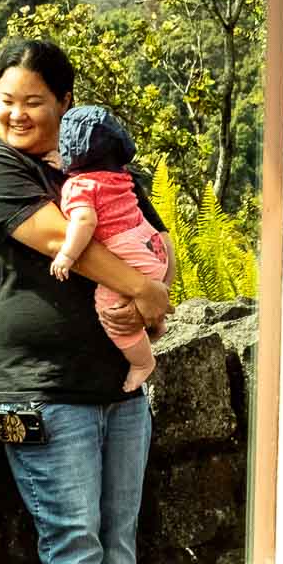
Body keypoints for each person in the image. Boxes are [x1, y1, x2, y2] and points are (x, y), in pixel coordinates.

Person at [0, 39, 172, 564]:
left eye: (33, 100)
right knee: (75, 546)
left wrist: (154, 300)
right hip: (42, 394)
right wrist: (143, 288)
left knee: (120, 541)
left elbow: (153, 240)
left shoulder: (106, 170)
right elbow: (60, 237)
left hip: (121, 394)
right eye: (7, 100)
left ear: (65, 102)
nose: (16, 114)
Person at [47, 104, 175, 393]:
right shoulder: (119, 177)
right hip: (153, 249)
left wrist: (67, 255)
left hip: (131, 256)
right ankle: (155, 327)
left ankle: (143, 362)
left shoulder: (79, 187)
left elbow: (85, 220)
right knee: (133, 302)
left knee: (109, 308)